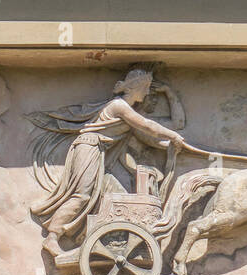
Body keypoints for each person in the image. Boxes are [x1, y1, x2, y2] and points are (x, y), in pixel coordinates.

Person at [27, 69, 187, 257]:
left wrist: (170, 94)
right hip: (89, 147)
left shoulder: (127, 112)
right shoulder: (119, 106)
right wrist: (172, 136)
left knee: (96, 197)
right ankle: (52, 237)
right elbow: (147, 125)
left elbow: (175, 124)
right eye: (145, 88)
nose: (147, 93)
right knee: (82, 196)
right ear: (136, 88)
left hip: (96, 151)